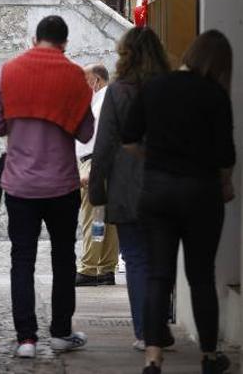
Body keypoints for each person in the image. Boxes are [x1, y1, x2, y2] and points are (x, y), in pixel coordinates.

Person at [122, 30, 236, 374]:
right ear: (219, 65)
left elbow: (128, 138)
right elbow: (225, 154)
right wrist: (223, 180)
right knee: (201, 276)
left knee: (158, 275)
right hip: (200, 193)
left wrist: (153, 159)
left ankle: (153, 356)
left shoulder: (155, 86)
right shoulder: (215, 94)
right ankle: (209, 355)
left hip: (156, 192)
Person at [0, 15, 94, 359]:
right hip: (62, 184)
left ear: (35, 39)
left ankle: (26, 339)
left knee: (22, 260)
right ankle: (61, 332)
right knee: (64, 258)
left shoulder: (9, 71)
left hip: (19, 185)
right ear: (64, 43)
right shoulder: (74, 75)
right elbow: (87, 133)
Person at [89, 28, 172, 351]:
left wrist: (97, 188)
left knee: (136, 259)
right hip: (165, 181)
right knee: (161, 258)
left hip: (126, 186)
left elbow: (104, 144)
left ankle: (144, 331)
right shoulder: (168, 89)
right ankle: (160, 323)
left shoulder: (118, 92)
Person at [76, 64, 119, 287]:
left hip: (94, 163)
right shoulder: (102, 99)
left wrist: (93, 169)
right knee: (104, 218)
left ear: (97, 80)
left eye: (86, 81)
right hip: (100, 162)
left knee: (93, 216)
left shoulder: (102, 100)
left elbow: (102, 136)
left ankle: (90, 268)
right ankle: (105, 267)